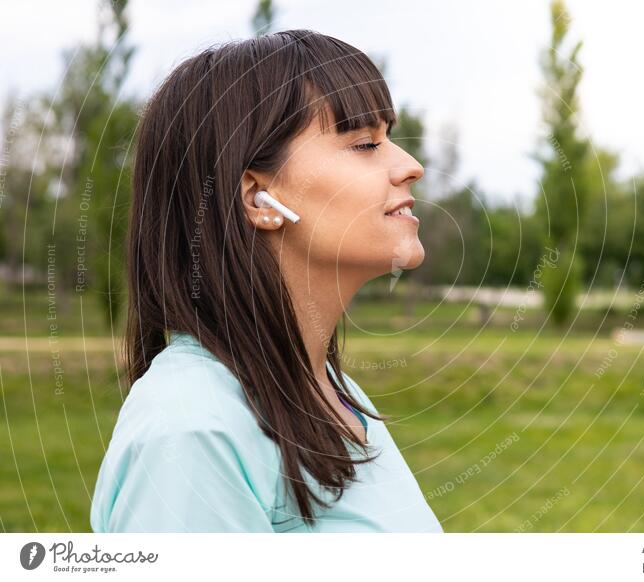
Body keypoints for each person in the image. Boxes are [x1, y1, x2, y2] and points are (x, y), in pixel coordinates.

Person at [90, 29, 442, 533]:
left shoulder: (332, 392)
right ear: (258, 199)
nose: (411, 166)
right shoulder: (194, 429)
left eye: (389, 139)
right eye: (365, 143)